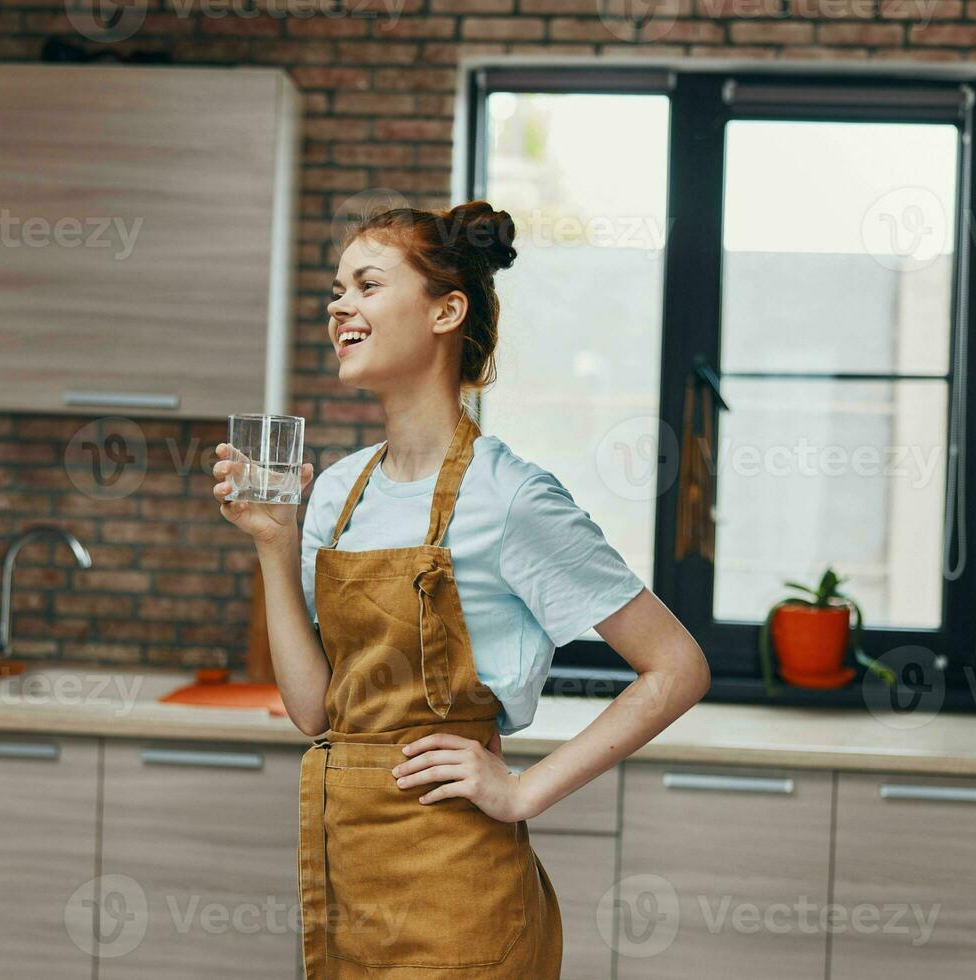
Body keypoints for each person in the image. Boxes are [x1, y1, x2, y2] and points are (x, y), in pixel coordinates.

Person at [213, 199, 711, 979]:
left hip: (461, 898)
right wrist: (275, 546)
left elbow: (677, 667)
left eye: (367, 283)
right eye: (336, 289)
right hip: (347, 879)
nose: (340, 304)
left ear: (446, 309)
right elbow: (317, 714)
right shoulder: (339, 492)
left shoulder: (511, 497)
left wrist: (523, 791)